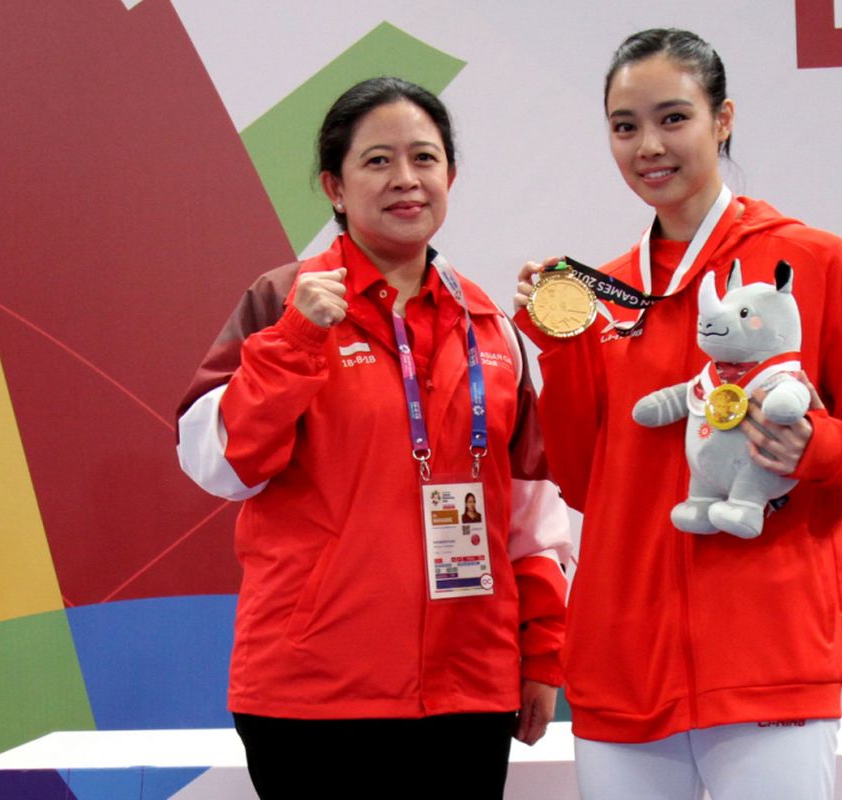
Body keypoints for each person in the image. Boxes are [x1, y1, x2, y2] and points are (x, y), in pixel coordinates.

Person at [513, 29, 842, 800]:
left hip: (769, 663)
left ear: (722, 119)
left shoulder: (808, 260)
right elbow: (583, 484)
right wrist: (560, 346)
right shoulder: (603, 291)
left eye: (673, 118)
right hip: (624, 667)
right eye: (624, 126)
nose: (648, 146)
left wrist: (813, 446)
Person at [176, 77, 571, 799]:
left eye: (424, 158)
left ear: (451, 176)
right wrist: (296, 341)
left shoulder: (491, 328)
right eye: (377, 161)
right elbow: (220, 463)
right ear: (334, 185)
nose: (406, 180)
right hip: (314, 693)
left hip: (468, 689)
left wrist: (542, 652)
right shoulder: (283, 301)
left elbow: (530, 518)